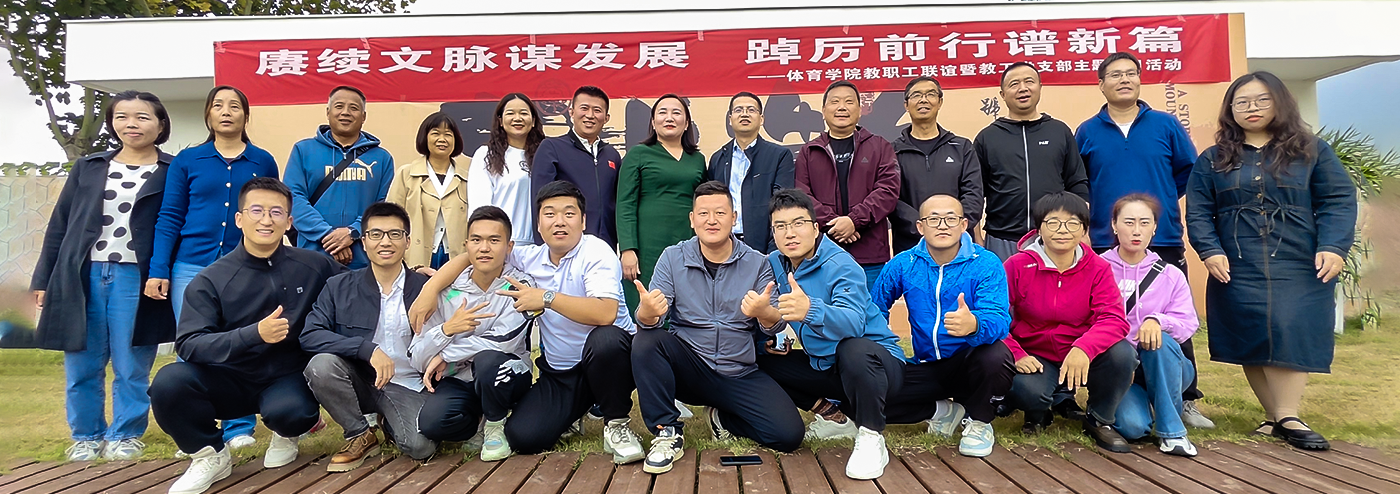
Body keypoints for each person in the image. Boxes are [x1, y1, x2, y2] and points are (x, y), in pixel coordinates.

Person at [411, 181, 643, 463]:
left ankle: (617, 424)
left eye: (569, 214)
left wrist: (546, 298)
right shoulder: (529, 256)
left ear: (583, 221)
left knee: (605, 338)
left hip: (610, 362)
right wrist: (431, 288)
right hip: (561, 372)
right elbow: (477, 255)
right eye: (550, 214)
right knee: (524, 437)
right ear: (539, 224)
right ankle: (572, 413)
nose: (559, 221)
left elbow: (605, 313)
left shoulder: (597, 252)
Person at [1186, 71, 1357, 451]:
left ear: (1280, 102)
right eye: (1242, 102)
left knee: (1289, 327)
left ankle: (1289, 416)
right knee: (1250, 331)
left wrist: (1333, 245)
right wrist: (1210, 250)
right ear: (1230, 109)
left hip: (1298, 257)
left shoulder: (1311, 150)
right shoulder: (1214, 158)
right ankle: (1275, 414)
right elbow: (1198, 210)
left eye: (1262, 100)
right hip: (1237, 259)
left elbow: (1338, 200)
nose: (1252, 108)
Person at [150, 178, 344, 494]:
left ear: (289, 222)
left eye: (276, 212)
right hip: (229, 378)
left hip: (287, 378)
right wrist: (253, 334)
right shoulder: (211, 279)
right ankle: (210, 454)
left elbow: (359, 288)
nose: (266, 220)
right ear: (239, 219)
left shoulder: (315, 265)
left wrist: (418, 279)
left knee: (292, 412)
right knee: (169, 383)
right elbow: (189, 343)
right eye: (257, 211)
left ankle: (288, 432)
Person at [31, 91, 176, 461]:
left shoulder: (173, 170)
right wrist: (43, 279)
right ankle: (86, 435)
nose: (131, 124)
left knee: (131, 364)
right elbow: (60, 224)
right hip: (83, 275)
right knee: (82, 363)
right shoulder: (90, 166)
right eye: (122, 116)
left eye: (142, 117)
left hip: (136, 277)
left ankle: (125, 434)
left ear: (160, 124)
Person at [1075, 53, 1212, 428]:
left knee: (1170, 318)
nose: (1124, 80)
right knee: (1106, 318)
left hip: (1162, 237)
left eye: (1131, 73)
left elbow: (1187, 172)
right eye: (1115, 75)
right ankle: (1115, 391)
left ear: (1139, 80)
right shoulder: (1087, 131)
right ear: (1101, 84)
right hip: (1105, 241)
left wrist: (1154, 206)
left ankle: (1185, 398)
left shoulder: (1165, 124)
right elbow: (1079, 181)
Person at [631, 181, 805, 474]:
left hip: (738, 371)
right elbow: (653, 318)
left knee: (788, 435)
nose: (711, 220)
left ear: (734, 218)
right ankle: (666, 431)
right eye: (704, 213)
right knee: (647, 340)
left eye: (720, 213)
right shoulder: (673, 258)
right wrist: (647, 314)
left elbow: (774, 325)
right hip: (689, 368)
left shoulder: (757, 263)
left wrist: (765, 313)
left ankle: (722, 419)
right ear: (692, 219)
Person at [146, 86, 278, 449]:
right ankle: (196, 428)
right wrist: (159, 269)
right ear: (208, 114)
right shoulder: (188, 160)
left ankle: (239, 428)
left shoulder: (262, 160)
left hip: (244, 267)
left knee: (242, 340)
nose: (226, 111)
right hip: (191, 265)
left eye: (234, 106)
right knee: (193, 344)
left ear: (245, 116)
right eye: (218, 105)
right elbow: (170, 215)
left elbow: (272, 211)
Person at [755, 189, 905, 480]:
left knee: (853, 348)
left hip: (878, 365)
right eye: (780, 226)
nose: (790, 233)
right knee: (763, 361)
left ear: (815, 228)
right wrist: (773, 328)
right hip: (828, 365)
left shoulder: (841, 265)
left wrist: (810, 309)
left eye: (798, 223)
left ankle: (871, 437)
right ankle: (834, 418)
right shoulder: (776, 261)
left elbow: (853, 324)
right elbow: (775, 311)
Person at [300, 202, 437, 471]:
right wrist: (366, 349)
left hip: (409, 384)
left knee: (420, 447)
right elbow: (310, 334)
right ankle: (360, 433)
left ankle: (387, 422)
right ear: (364, 241)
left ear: (408, 241)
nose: (385, 242)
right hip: (360, 379)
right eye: (376, 234)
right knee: (321, 366)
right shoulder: (339, 287)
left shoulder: (426, 288)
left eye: (395, 234)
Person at [874, 195, 1013, 458]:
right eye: (933, 219)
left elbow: (999, 318)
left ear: (963, 225)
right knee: (868, 395)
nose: (942, 225)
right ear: (920, 226)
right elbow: (875, 307)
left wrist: (974, 323)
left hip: (968, 364)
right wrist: (885, 345)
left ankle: (980, 421)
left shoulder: (985, 263)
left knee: (997, 355)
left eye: (950, 218)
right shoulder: (904, 263)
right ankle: (943, 412)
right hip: (926, 365)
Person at [1000, 192, 1135, 454]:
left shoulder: (1098, 268)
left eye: (1073, 223)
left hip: (1081, 352)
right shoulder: (1017, 265)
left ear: (1084, 230)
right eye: (1053, 222)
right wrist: (1017, 354)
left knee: (1122, 354)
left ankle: (1099, 419)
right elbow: (995, 315)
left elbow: (1114, 318)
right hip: (1036, 354)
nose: (1063, 230)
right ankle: (1037, 411)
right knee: (1026, 390)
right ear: (1039, 228)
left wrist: (1085, 347)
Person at [411, 205, 535, 462]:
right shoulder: (447, 290)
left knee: (488, 360)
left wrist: (446, 354)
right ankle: (478, 422)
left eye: (494, 240)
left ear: (509, 247)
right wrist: (446, 330)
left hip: (507, 375)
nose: (484, 248)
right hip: (460, 378)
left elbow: (504, 341)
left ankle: (495, 425)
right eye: (476, 240)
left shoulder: (521, 285)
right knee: (432, 424)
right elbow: (417, 357)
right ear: (466, 245)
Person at [1101, 194, 1200, 457]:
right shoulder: (1098, 268)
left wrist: (1158, 321)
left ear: (1154, 227)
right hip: (1123, 370)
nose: (1137, 230)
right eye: (1129, 222)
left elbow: (1188, 323)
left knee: (1159, 340)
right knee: (1132, 428)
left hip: (1167, 365)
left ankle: (1173, 432)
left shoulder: (1171, 274)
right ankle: (1149, 404)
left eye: (1144, 223)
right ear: (1114, 225)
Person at [976, 63, 1090, 261]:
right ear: (1002, 94)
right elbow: (976, 193)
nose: (1023, 88)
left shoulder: (1059, 132)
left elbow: (1077, 183)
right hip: (1002, 238)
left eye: (1029, 81)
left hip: (1055, 237)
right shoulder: (987, 137)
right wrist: (977, 238)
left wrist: (1083, 230)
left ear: (1040, 87)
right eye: (1014, 84)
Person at [795, 80, 901, 289]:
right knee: (824, 308)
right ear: (823, 111)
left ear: (860, 110)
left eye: (849, 102)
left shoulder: (879, 146)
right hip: (823, 253)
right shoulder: (808, 152)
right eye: (835, 102)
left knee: (871, 308)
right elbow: (802, 196)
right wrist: (835, 224)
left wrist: (854, 220)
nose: (842, 107)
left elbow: (888, 190)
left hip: (870, 255)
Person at [284, 85, 396, 268]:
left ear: (363, 116)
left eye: (354, 108)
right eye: (339, 106)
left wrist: (353, 232)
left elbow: (383, 204)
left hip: (364, 258)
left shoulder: (382, 158)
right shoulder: (303, 150)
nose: (345, 112)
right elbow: (293, 198)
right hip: (313, 256)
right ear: (328, 112)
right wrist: (327, 235)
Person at [617, 94, 707, 315]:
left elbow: (704, 203)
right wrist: (628, 249)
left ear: (686, 122)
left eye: (676, 113)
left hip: (687, 240)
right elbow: (625, 203)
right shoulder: (638, 154)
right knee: (648, 302)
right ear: (653, 121)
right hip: (647, 244)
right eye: (662, 112)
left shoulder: (697, 159)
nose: (669, 118)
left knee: (687, 300)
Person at [890, 77, 983, 254]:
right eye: (916, 95)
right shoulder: (892, 151)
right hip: (910, 246)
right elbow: (891, 198)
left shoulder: (962, 147)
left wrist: (951, 227)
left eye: (930, 94)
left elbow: (974, 194)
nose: (923, 100)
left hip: (958, 245)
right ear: (906, 105)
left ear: (940, 102)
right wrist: (924, 227)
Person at [530, 86, 623, 247]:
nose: (590, 115)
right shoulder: (551, 147)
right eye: (584, 108)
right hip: (565, 246)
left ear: (606, 118)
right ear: (571, 112)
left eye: (597, 110)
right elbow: (539, 201)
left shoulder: (612, 155)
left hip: (605, 246)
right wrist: (544, 247)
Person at [706, 91, 796, 253]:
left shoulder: (779, 156)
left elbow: (782, 207)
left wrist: (773, 249)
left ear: (761, 119)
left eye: (751, 110)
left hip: (763, 246)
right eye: (738, 110)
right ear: (730, 119)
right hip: (723, 245)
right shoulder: (718, 159)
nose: (744, 114)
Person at [386, 112, 470, 274]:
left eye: (448, 134)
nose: (442, 139)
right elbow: (391, 219)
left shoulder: (466, 179)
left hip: (455, 256)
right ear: (425, 137)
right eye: (436, 133)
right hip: (416, 255)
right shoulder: (407, 174)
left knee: (454, 291)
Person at [468, 93, 546, 246]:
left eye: (523, 113)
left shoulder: (544, 155)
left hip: (540, 246)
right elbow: (480, 205)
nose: (517, 118)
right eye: (510, 113)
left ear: (533, 121)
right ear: (500, 121)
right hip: (500, 244)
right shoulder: (486, 154)